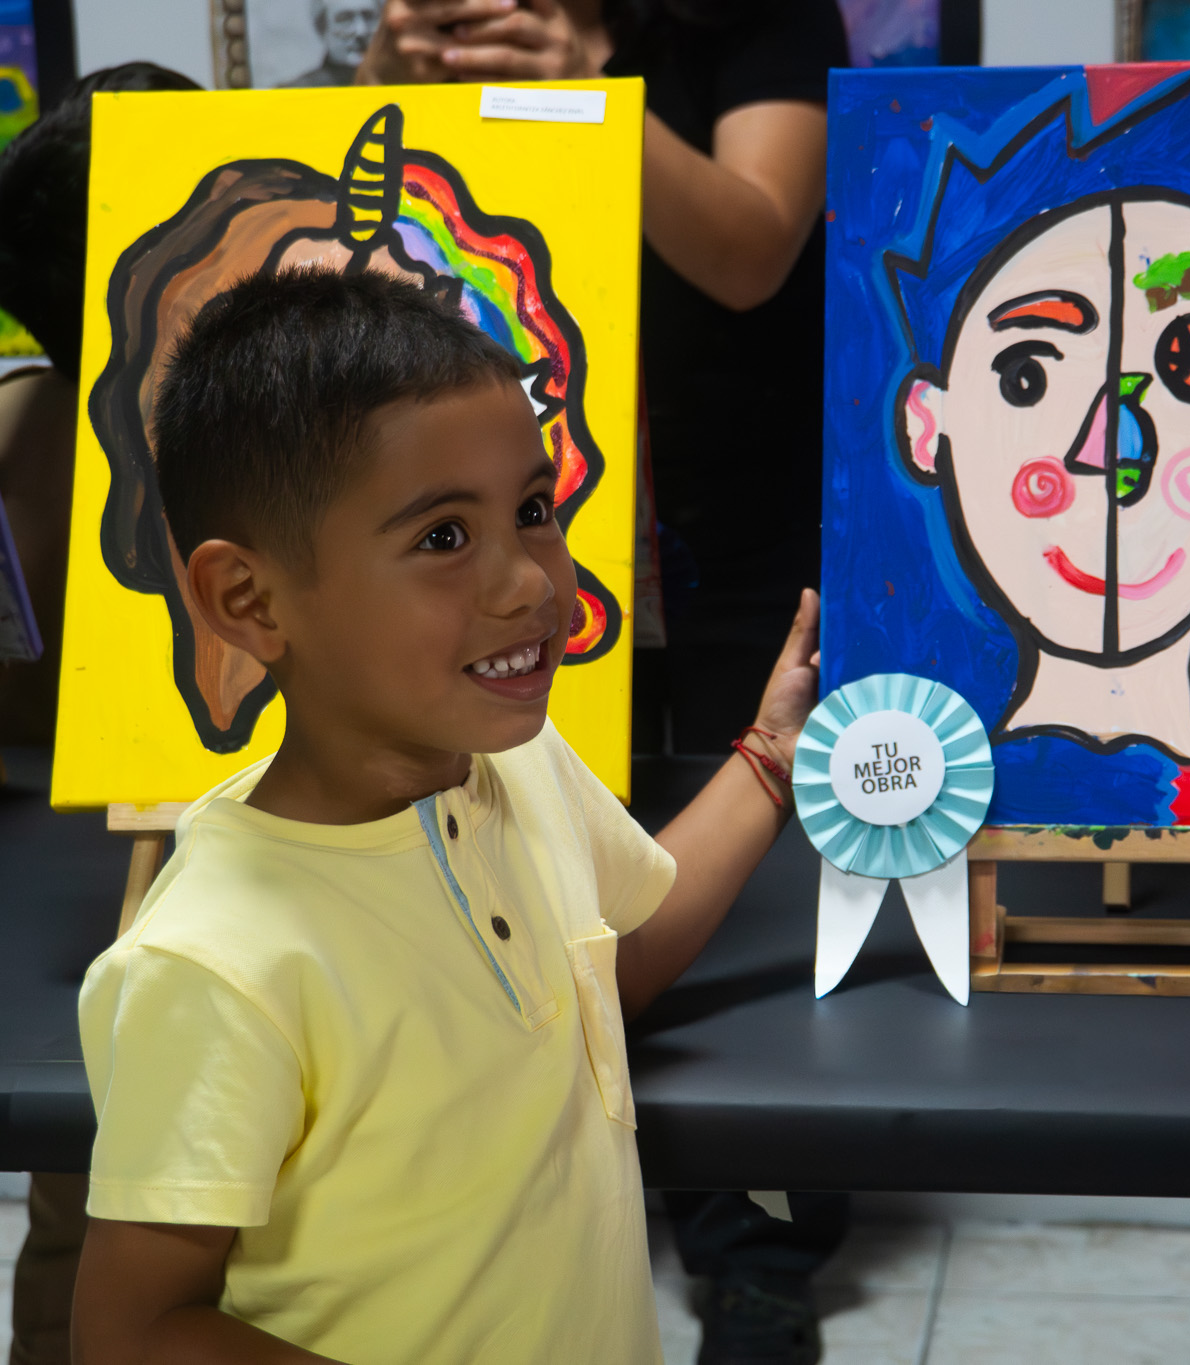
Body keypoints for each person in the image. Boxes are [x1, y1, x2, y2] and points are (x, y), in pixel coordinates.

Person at [68, 267, 819, 1364]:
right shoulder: (214, 963)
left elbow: (612, 955)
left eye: (531, 511)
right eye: (441, 540)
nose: (530, 584)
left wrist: (768, 761)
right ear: (249, 601)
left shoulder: (518, 768)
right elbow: (130, 1331)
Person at [359, 7, 854, 1359]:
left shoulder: (749, 22)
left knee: (749, 893)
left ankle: (759, 1250)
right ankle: (551, 1189)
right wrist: (392, 75)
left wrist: (587, 88)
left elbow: (756, 246)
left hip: (727, 521)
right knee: (519, 872)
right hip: (514, 538)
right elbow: (364, 239)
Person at [0, 59, 204, 1365]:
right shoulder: (45, 433)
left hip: (98, 929)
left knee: (93, 1211)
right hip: (134, 910)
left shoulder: (21, 424)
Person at [283, 0, 380, 87]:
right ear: (322, 27)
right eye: (345, 19)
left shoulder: (392, 83)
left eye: (368, 17)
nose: (360, 31)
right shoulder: (295, 92)